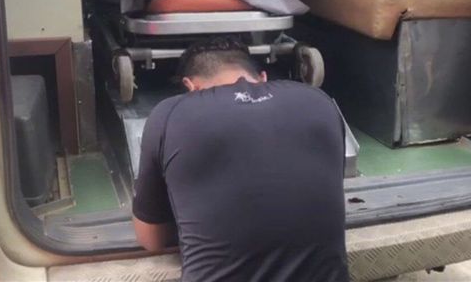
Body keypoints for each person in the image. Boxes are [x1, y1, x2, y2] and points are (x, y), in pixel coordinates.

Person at [132, 36, 349, 282]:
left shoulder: (170, 114)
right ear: (263, 78)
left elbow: (151, 239)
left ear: (191, 86)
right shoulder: (319, 101)